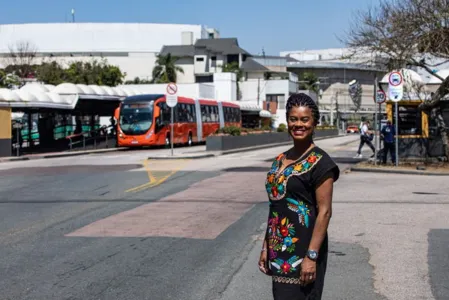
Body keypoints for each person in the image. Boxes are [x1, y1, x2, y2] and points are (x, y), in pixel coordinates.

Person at [258, 93, 340, 300]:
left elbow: (325, 212)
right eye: (293, 119)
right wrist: (266, 245)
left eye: (304, 119)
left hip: (305, 250)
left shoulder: (321, 163)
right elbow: (275, 207)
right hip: (280, 249)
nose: (298, 124)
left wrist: (311, 256)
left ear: (314, 123)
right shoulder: (279, 160)